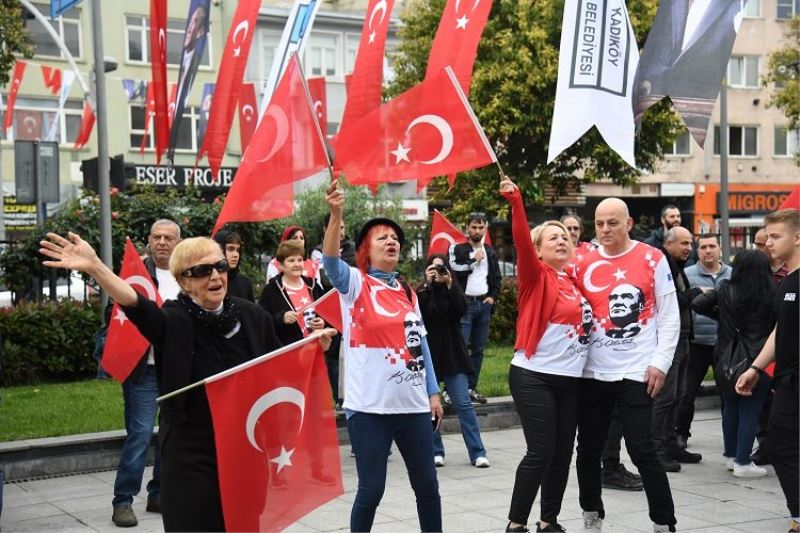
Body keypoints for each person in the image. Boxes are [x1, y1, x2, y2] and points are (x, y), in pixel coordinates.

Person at [40, 232, 334, 532]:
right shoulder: (174, 319)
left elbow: (280, 366)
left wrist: (313, 347)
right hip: (191, 451)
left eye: (220, 266)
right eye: (202, 271)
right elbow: (136, 304)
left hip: (244, 448)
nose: (215, 276)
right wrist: (95, 267)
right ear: (184, 280)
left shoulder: (253, 316)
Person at [321, 180, 443, 533]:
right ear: (365, 250)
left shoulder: (407, 291)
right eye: (382, 238)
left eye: (395, 238)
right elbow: (330, 261)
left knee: (428, 488)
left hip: (414, 406)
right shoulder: (355, 284)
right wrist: (336, 215)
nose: (391, 241)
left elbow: (421, 344)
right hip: (370, 409)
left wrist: (433, 392)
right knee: (371, 490)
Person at [574, 197, 679, 533]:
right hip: (592, 373)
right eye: (599, 223)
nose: (605, 229)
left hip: (637, 371)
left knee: (642, 448)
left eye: (613, 222)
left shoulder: (652, 257)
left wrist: (660, 363)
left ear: (629, 223)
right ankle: (592, 514)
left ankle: (663, 521)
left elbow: (670, 315)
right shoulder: (582, 259)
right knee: (588, 450)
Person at [501, 178, 587, 533]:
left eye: (565, 236)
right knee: (540, 452)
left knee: (562, 455)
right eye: (553, 238)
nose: (562, 240)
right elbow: (521, 240)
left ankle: (548, 521)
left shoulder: (575, 282)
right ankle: (515, 523)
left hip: (571, 381)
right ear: (538, 251)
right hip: (534, 376)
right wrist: (516, 202)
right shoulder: (535, 276)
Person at [108, 219, 181, 527]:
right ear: (149, 240)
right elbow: (114, 313)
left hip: (176, 370)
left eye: (168, 237)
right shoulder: (135, 274)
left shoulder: (186, 274)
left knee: (170, 435)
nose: (162, 242)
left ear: (178, 242)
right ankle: (123, 501)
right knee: (139, 436)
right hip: (143, 371)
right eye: (157, 237)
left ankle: (159, 493)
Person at [736, 209, 799, 533]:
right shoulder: (787, 280)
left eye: (776, 236)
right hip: (787, 379)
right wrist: (756, 368)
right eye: (767, 236)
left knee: (781, 446)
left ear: (797, 237)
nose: (768, 242)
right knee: (780, 446)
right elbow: (780, 329)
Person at [692, 250, 775, 478]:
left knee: (730, 408)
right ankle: (743, 462)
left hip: (726, 358)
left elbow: (697, 303)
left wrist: (721, 316)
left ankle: (731, 456)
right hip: (758, 359)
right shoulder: (771, 292)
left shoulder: (725, 288)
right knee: (751, 410)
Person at [417, 253, 489, 469]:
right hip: (430, 354)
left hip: (453, 353)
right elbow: (425, 313)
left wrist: (449, 283)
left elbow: (461, 310)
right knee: (430, 405)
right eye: (433, 268)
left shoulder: (453, 289)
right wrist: (428, 285)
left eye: (441, 268)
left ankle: (478, 452)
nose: (437, 273)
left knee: (463, 404)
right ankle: (436, 451)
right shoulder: (421, 291)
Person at [652, 226, 704, 470]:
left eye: (690, 244)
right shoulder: (662, 266)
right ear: (669, 244)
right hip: (669, 341)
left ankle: (671, 445)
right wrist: (697, 292)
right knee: (665, 398)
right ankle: (656, 450)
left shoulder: (676, 266)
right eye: (684, 243)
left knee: (678, 396)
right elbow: (669, 302)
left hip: (683, 339)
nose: (689, 248)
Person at [678, 234, 731, 449]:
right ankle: (681, 434)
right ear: (697, 251)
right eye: (703, 247)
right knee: (686, 393)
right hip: (696, 344)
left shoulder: (732, 274)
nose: (708, 251)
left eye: (712, 246)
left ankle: (731, 436)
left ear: (720, 249)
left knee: (728, 394)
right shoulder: (687, 274)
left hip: (724, 344)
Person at [449, 211, 502, 404]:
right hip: (465, 305)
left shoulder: (489, 251)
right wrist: (474, 260)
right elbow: (454, 269)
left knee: (478, 350)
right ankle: (452, 390)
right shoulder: (458, 248)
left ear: (485, 228)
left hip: (483, 305)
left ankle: (471, 387)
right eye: (474, 227)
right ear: (467, 228)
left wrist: (492, 297)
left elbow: (497, 278)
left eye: (481, 227)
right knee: (460, 348)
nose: (477, 230)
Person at [258, 240, 326, 345]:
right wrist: (281, 318)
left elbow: (327, 314)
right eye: (291, 260)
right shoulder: (271, 290)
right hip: (287, 350)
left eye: (300, 260)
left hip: (315, 348)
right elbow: (260, 322)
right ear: (280, 265)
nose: (297, 264)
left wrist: (322, 322)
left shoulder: (313, 286)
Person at [212, 230, 254, 301]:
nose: (236, 255)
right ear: (219, 250)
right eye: (230, 249)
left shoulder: (245, 283)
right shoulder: (209, 281)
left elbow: (251, 307)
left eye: (238, 250)